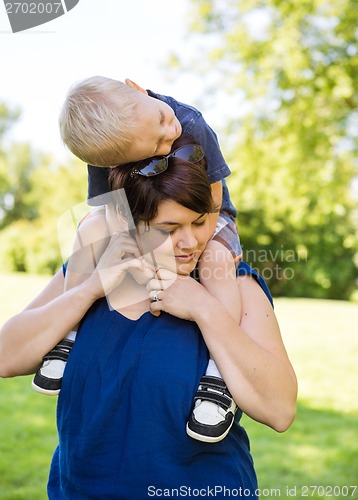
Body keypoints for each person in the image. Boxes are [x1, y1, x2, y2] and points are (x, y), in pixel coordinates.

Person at [0, 139, 297, 499]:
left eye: (200, 222)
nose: (191, 241)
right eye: (169, 229)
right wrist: (89, 290)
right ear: (129, 223)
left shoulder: (235, 284)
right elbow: (7, 356)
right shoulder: (88, 272)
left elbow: (279, 411)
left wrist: (204, 308)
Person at [32, 76, 244, 443]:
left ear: (137, 88)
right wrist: (131, 245)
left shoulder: (189, 122)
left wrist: (190, 249)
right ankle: (67, 334)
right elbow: (107, 207)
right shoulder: (109, 147)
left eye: (163, 123)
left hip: (207, 213)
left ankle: (220, 378)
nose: (168, 136)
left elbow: (208, 204)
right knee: (88, 226)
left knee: (218, 259)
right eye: (158, 144)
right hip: (146, 216)